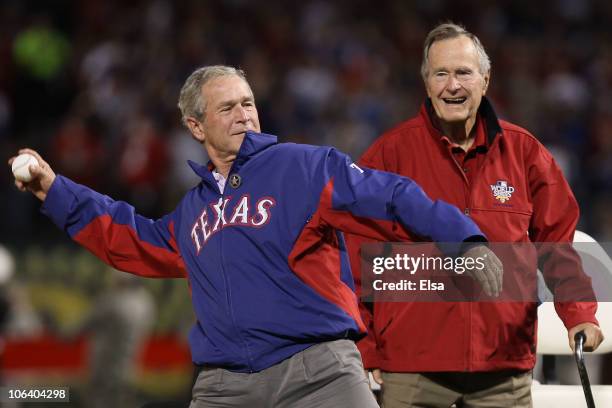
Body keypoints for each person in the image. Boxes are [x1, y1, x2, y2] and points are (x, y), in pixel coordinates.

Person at [8, 65, 502, 408]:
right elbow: (129, 238)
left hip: (318, 374)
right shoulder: (192, 212)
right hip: (224, 388)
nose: (244, 114)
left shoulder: (303, 166)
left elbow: (391, 195)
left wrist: (465, 237)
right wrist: (53, 189)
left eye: (248, 103)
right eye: (227, 108)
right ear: (195, 126)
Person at [345, 23, 605, 407]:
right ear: (426, 82)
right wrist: (366, 347)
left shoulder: (526, 155)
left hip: (502, 370)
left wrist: (579, 313)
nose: (453, 86)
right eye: (441, 74)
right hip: (413, 370)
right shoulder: (388, 157)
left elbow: (557, 247)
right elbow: (353, 261)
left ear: (485, 79)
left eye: (464, 72)